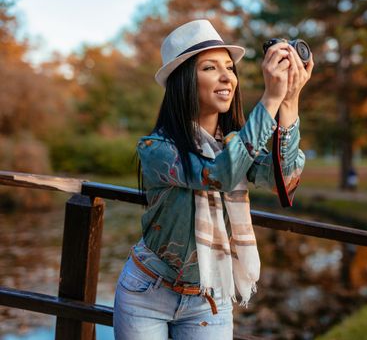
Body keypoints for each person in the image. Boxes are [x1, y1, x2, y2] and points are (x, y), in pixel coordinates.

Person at [113, 19, 313, 339]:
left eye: (229, 67)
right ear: (184, 82)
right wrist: (270, 100)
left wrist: (289, 101)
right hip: (148, 292)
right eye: (209, 67)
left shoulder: (236, 142)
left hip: (210, 296)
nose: (226, 77)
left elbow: (283, 180)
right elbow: (219, 175)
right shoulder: (156, 149)